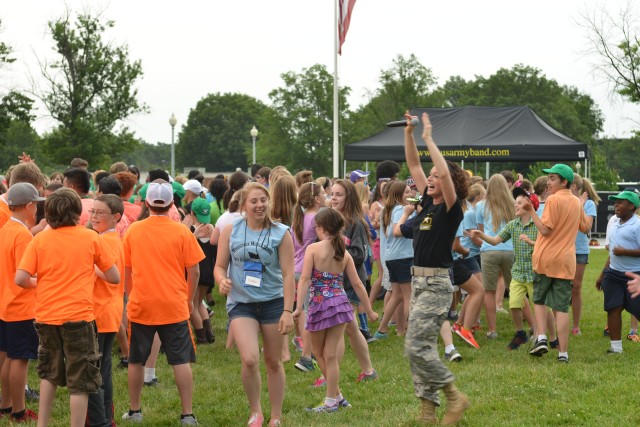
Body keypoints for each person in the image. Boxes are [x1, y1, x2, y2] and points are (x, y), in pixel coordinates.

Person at [15, 188, 120, 427]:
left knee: (49, 374)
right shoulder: (91, 237)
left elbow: (20, 278)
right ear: (77, 212)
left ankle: (42, 424)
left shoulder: (40, 239)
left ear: (48, 213)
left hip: (46, 316)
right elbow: (113, 277)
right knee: (80, 381)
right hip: (79, 318)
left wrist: (39, 282)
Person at [403, 111, 470, 425]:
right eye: (427, 178)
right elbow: (414, 165)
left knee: (415, 345)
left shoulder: (451, 210)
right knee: (422, 347)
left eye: (434, 177)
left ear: (448, 183)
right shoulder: (427, 203)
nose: (428, 180)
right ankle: (428, 410)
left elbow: (442, 173)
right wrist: (409, 134)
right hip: (418, 283)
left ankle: (454, 396)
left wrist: (429, 137)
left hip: (437, 284)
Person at [121, 179, 204, 425]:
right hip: (174, 304)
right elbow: (195, 272)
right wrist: (188, 300)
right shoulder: (181, 231)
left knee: (136, 359)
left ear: (146, 202)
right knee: (180, 360)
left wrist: (130, 297)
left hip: (141, 305)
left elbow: (126, 269)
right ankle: (187, 414)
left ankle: (135, 411)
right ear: (171, 203)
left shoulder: (134, 230)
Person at [214, 182, 295, 427]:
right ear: (243, 205)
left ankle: (276, 416)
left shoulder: (281, 232)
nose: (260, 205)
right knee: (249, 359)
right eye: (254, 201)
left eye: (263, 200)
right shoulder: (231, 230)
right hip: (241, 304)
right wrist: (222, 280)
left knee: (273, 361)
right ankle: (256, 412)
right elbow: (218, 266)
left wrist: (288, 311)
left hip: (272, 302)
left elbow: (289, 274)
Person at [293, 208, 378, 413]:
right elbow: (359, 284)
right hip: (341, 305)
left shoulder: (314, 249)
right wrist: (370, 310)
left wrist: (297, 308)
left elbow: (304, 279)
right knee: (330, 355)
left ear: (321, 228)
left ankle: (332, 400)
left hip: (320, 305)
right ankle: (337, 397)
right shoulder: (345, 252)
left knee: (318, 353)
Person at [522, 164, 590, 363]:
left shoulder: (552, 200)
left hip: (546, 259)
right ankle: (563, 354)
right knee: (561, 308)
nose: (548, 182)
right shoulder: (576, 202)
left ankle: (542, 337)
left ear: (564, 182)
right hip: (566, 262)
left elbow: (545, 230)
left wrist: (530, 211)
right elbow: (585, 228)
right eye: (548, 178)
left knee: (540, 300)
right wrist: (581, 205)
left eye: (552, 178)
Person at [471, 187, 542, 350]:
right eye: (515, 203)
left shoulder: (537, 225)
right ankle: (520, 333)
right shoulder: (512, 225)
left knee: (540, 305)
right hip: (517, 272)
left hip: (533, 274)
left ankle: (543, 334)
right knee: (514, 304)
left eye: (518, 203)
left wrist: (531, 242)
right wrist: (481, 235)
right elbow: (496, 240)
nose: (515, 206)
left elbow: (545, 244)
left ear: (529, 206)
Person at [0, 183, 44, 423]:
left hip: (5, 302)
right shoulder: (23, 234)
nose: (37, 208)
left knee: (7, 355)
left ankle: (6, 404)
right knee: (20, 359)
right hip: (21, 305)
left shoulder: (6, 227)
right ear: (28, 206)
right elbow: (24, 278)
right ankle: (18, 410)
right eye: (36, 203)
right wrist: (44, 281)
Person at [87, 194, 125, 427]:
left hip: (101, 312)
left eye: (100, 213)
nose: (94, 216)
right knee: (104, 369)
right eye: (93, 211)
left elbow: (110, 275)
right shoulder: (107, 238)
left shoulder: (106, 241)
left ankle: (98, 421)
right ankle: (106, 419)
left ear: (116, 217)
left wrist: (87, 263)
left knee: (94, 372)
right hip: (107, 311)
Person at [595, 190, 640, 354]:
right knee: (613, 308)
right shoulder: (614, 223)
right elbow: (613, 253)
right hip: (613, 273)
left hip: (635, 275)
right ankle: (616, 348)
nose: (616, 205)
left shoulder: (637, 225)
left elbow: (620, 251)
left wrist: (625, 252)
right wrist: (602, 275)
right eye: (615, 202)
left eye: (620, 202)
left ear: (631, 206)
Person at [475, 174, 515, 338]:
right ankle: (532, 324)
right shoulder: (512, 205)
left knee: (489, 291)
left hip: (489, 250)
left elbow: (480, 232)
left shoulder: (481, 205)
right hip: (509, 249)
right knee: (516, 288)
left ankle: (492, 330)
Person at [291, 182, 325, 373]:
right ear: (317, 199)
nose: (327, 197)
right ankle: (306, 357)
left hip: (297, 268)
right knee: (310, 313)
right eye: (324, 194)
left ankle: (309, 351)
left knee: (307, 310)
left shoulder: (300, 217)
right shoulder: (316, 218)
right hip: (309, 270)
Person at [374, 180, 415, 338]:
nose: (410, 194)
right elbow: (395, 231)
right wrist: (406, 215)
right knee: (408, 295)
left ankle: (382, 329)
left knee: (397, 294)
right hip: (402, 256)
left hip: (393, 256)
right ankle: (412, 332)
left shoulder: (388, 209)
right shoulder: (399, 209)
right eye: (406, 192)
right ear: (398, 195)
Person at [569, 174, 600, 336]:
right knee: (560, 287)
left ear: (573, 186)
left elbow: (586, 228)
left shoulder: (588, 204)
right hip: (563, 249)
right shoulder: (564, 200)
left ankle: (575, 326)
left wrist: (579, 208)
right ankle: (557, 321)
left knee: (576, 287)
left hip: (579, 250)